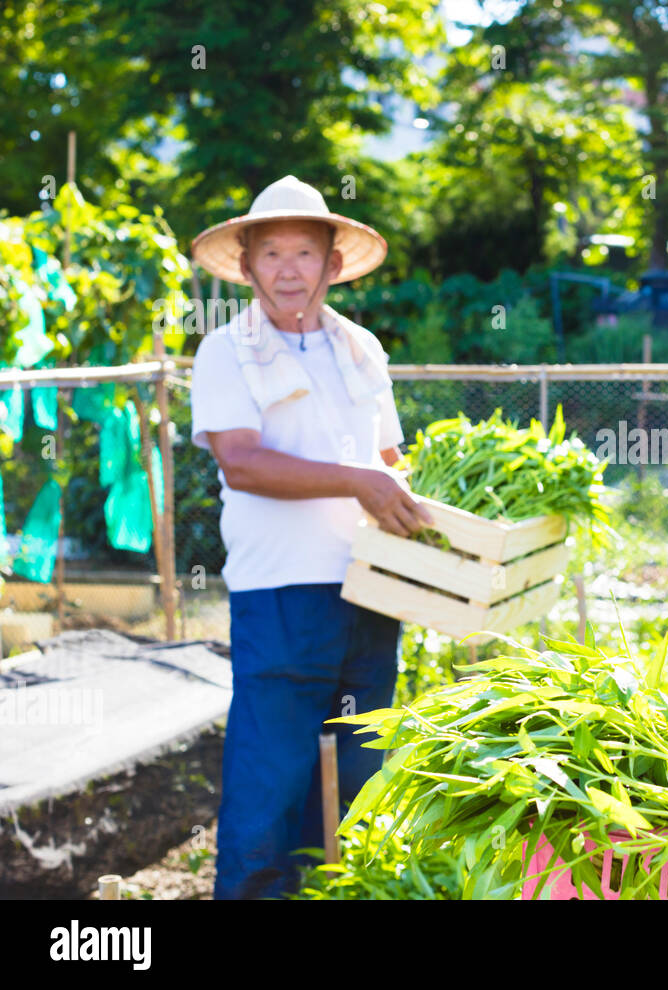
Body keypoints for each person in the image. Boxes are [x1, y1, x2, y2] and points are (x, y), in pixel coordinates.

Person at [189, 175, 433, 899]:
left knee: (358, 787)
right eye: (271, 255)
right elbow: (242, 460)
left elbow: (391, 463)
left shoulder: (361, 348)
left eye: (305, 252)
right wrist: (357, 483)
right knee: (271, 783)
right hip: (282, 596)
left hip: (370, 588)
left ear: (333, 263)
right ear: (246, 266)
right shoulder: (225, 351)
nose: (289, 270)